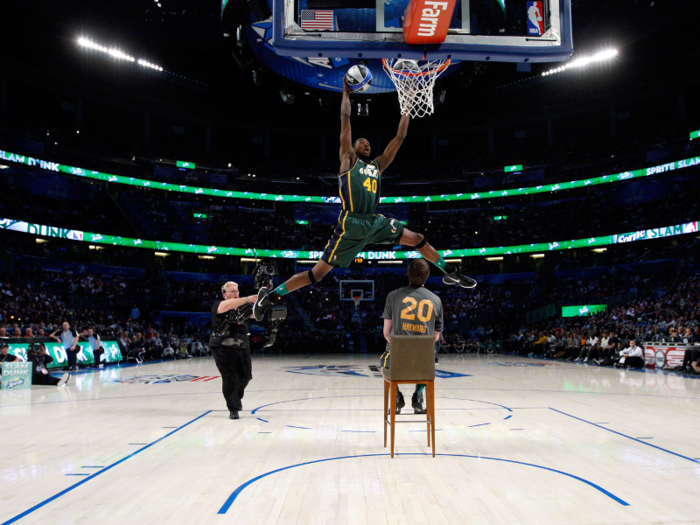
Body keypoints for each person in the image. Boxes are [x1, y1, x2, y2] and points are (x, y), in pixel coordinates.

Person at [253, 81, 476, 321]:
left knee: (418, 239)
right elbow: (345, 121)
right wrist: (346, 93)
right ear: (353, 147)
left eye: (369, 142)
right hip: (352, 223)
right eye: (361, 141)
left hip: (374, 222)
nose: (366, 143)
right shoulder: (349, 161)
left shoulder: (377, 166)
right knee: (317, 274)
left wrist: (407, 106)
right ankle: (269, 294)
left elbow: (400, 136)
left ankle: (451, 272)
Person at [380, 259, 443, 415]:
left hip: (398, 359)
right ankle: (418, 397)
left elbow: (386, 333)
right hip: (424, 362)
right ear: (427, 275)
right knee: (430, 356)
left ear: (408, 274)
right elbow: (435, 337)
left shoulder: (393, 296)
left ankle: (396, 397)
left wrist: (402, 346)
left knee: (384, 361)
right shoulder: (436, 300)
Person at [209, 281, 258, 420]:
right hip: (222, 346)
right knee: (229, 376)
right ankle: (233, 408)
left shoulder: (243, 308)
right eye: (232, 291)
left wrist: (263, 301)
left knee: (246, 376)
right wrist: (249, 299)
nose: (236, 294)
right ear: (225, 294)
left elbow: (257, 314)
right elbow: (226, 306)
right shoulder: (219, 305)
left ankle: (235, 397)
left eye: (237, 291)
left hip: (242, 345)